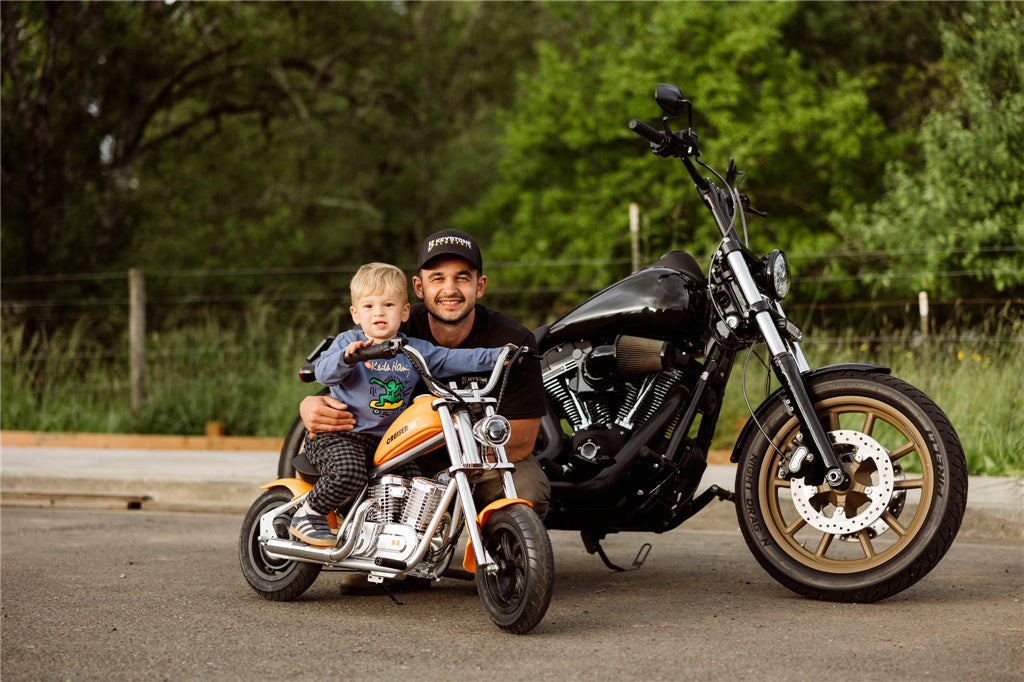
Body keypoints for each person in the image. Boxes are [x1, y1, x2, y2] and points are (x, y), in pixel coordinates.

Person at [299, 228, 551, 519]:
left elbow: (521, 439)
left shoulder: (512, 339)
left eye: (462, 277)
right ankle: (314, 516)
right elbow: (342, 375)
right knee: (353, 475)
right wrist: (309, 404)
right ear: (419, 288)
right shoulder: (387, 326)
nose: (450, 289)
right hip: (399, 450)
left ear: (480, 286)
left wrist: (503, 355)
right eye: (437, 278)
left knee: (526, 493)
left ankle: (500, 549)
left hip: (483, 459)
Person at [290, 261, 506, 547]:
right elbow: (323, 371)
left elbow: (453, 360)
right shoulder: (348, 342)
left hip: (388, 444)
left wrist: (499, 356)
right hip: (340, 437)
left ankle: (391, 541)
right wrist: (346, 356)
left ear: (404, 312)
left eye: (388, 305)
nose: (378, 312)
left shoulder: (414, 349)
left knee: (413, 485)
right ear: (355, 314)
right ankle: (309, 512)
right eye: (368, 307)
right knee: (348, 473)